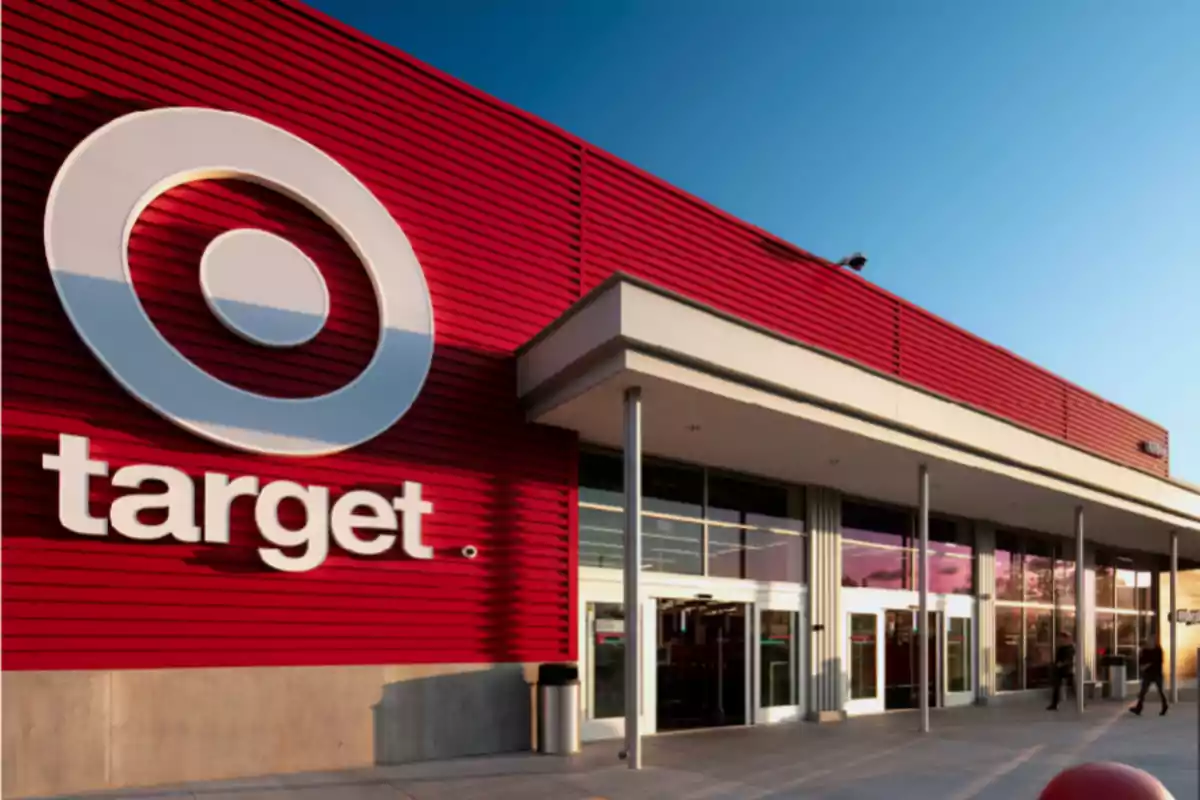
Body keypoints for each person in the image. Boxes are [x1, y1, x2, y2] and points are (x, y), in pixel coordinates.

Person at [1130, 636, 1168, 716]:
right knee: (1143, 691)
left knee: (1160, 691)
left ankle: (1165, 705)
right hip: (1148, 674)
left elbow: (1159, 661)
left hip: (1156, 673)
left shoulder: (1158, 650)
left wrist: (1148, 664)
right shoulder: (1145, 651)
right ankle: (1139, 708)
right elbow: (1142, 664)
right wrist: (1147, 664)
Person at [1047, 631, 1076, 711]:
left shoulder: (1070, 648)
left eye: (1062, 638)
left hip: (1067, 669)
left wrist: (1061, 664)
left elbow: (1069, 659)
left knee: (1074, 686)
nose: (1060, 640)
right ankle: (1054, 704)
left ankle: (1081, 701)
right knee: (1056, 686)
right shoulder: (1061, 648)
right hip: (1059, 670)